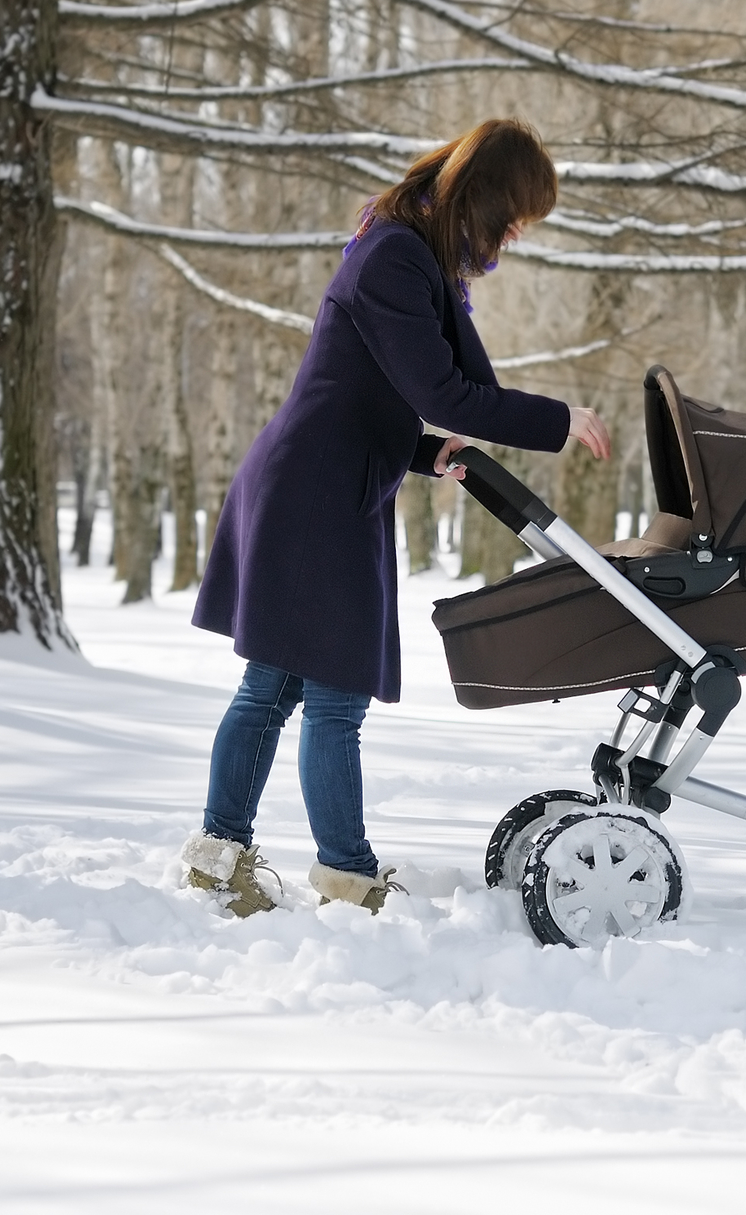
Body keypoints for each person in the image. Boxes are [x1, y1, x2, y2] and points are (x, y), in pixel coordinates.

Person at [178, 119, 612, 916]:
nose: (514, 236)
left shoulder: (409, 255)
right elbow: (441, 392)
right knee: (331, 697)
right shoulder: (397, 259)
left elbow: (362, 391)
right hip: (316, 497)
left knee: (270, 689)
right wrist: (559, 420)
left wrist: (421, 453)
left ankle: (218, 856)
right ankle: (348, 876)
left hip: (323, 484)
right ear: (481, 198)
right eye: (514, 217)